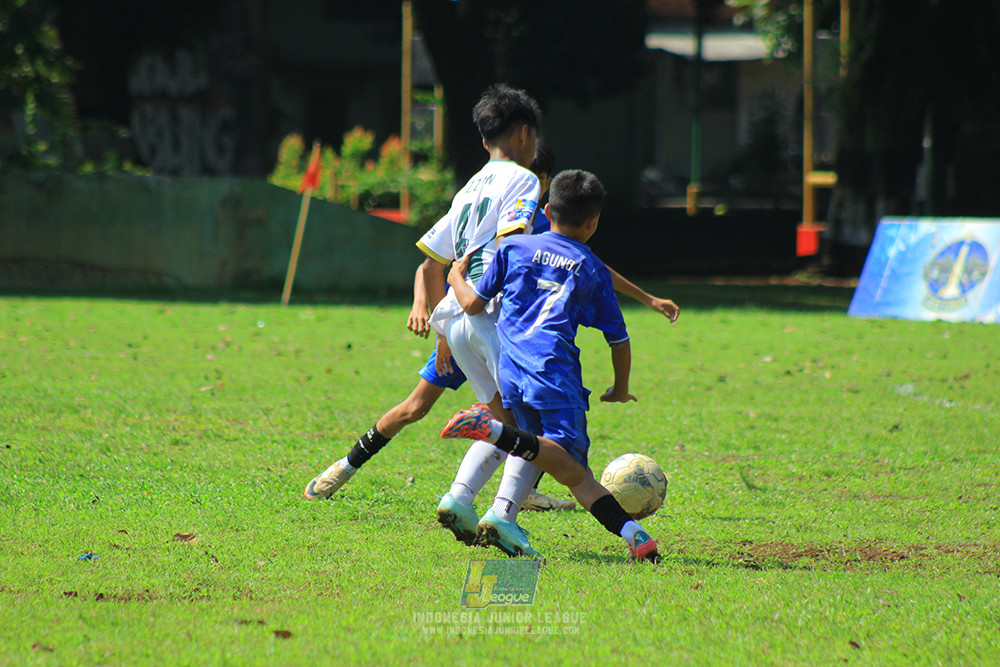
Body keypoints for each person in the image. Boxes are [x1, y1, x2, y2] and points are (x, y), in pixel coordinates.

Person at [441, 168, 660, 563]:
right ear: (593, 222)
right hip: (554, 374)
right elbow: (618, 339)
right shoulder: (592, 268)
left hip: (512, 372)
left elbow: (471, 304)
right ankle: (494, 432)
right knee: (570, 465)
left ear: (546, 211)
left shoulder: (513, 248)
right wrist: (621, 387)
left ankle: (637, 539)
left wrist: (456, 275)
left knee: (568, 468)